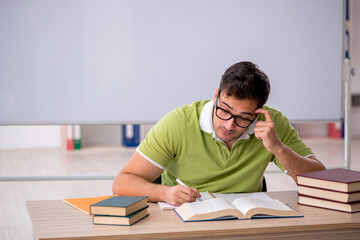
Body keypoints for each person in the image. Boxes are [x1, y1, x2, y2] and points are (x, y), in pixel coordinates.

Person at [112, 61, 325, 206]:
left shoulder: (272, 124)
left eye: (243, 117)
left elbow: (320, 182)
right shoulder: (178, 122)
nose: (229, 125)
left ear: (259, 111)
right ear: (216, 96)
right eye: (224, 110)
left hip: (248, 218)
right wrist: (165, 193)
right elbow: (122, 183)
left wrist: (278, 148)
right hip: (186, 216)